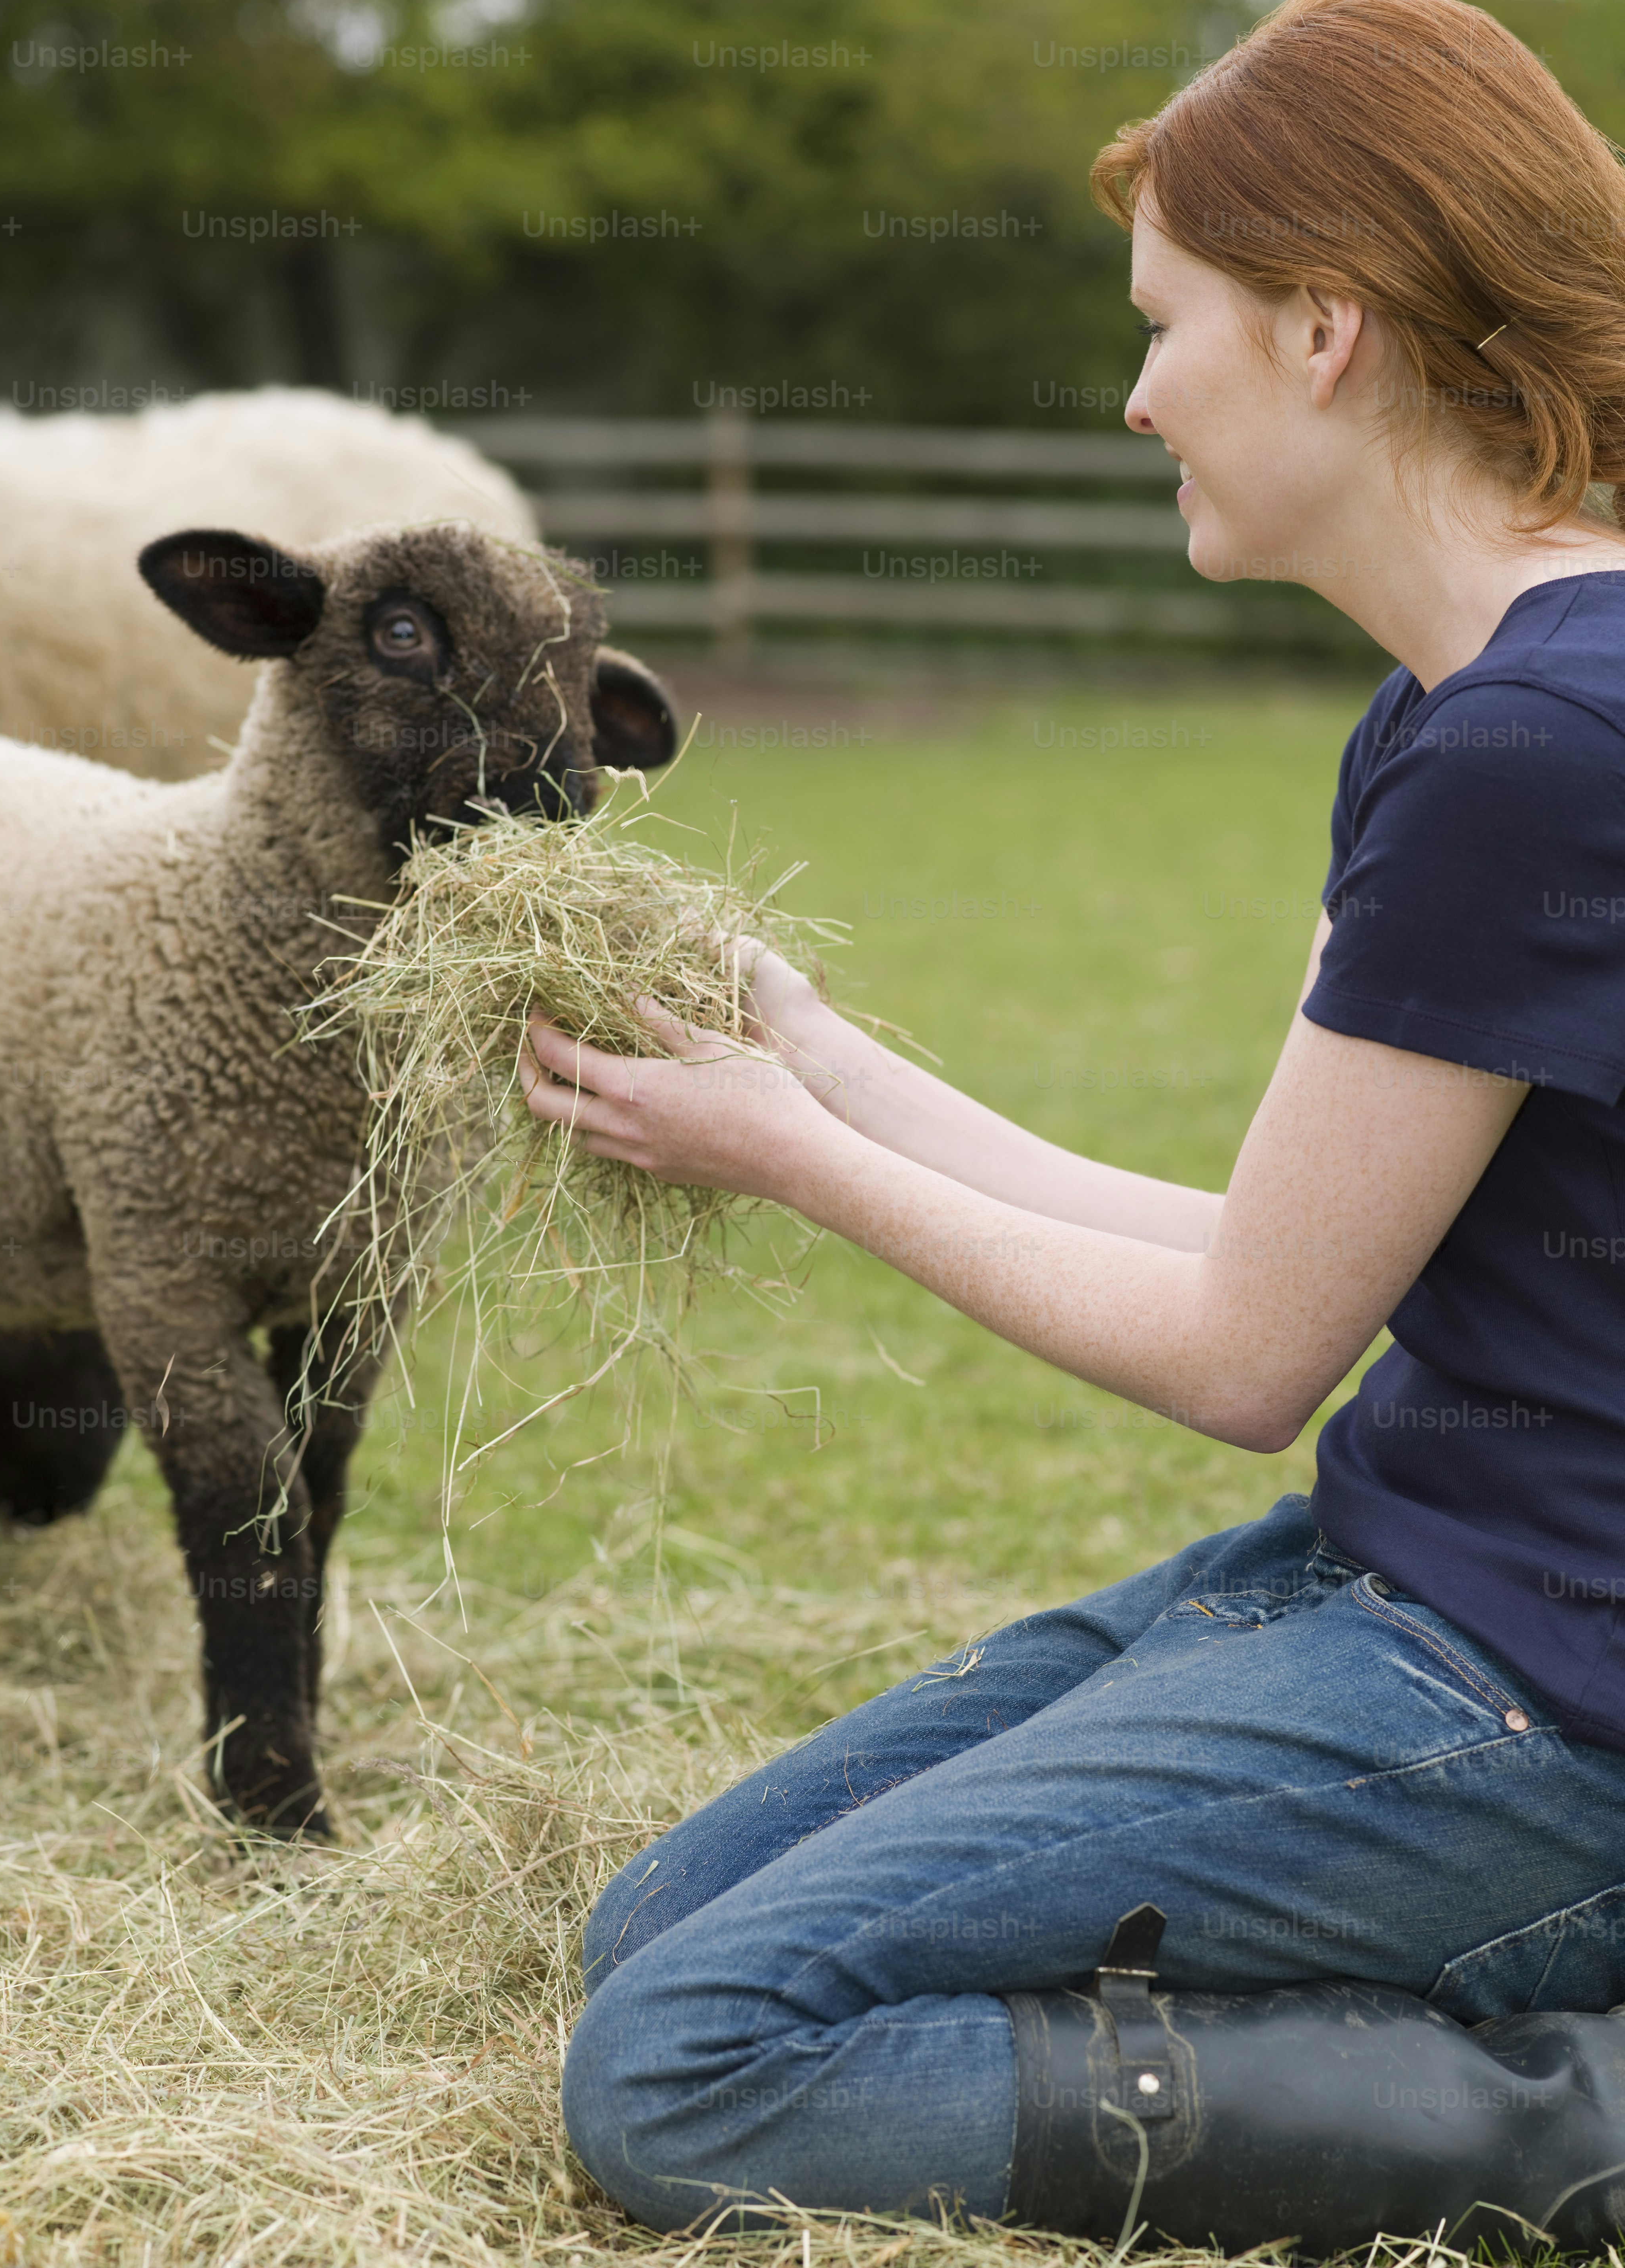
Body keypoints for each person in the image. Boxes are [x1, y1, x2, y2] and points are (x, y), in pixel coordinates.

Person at [518, 0, 1625, 2246]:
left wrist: (787, 1154)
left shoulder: (1533, 753)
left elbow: (1238, 1362)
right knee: (659, 1928)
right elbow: (1277, 1251)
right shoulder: (1468, 706)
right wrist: (815, 1051)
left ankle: (1569, 2114)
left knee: (681, 2066)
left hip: (1545, 1698)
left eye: (1164, 329)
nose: (1134, 399)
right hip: (1405, 1576)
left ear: (1325, 326)